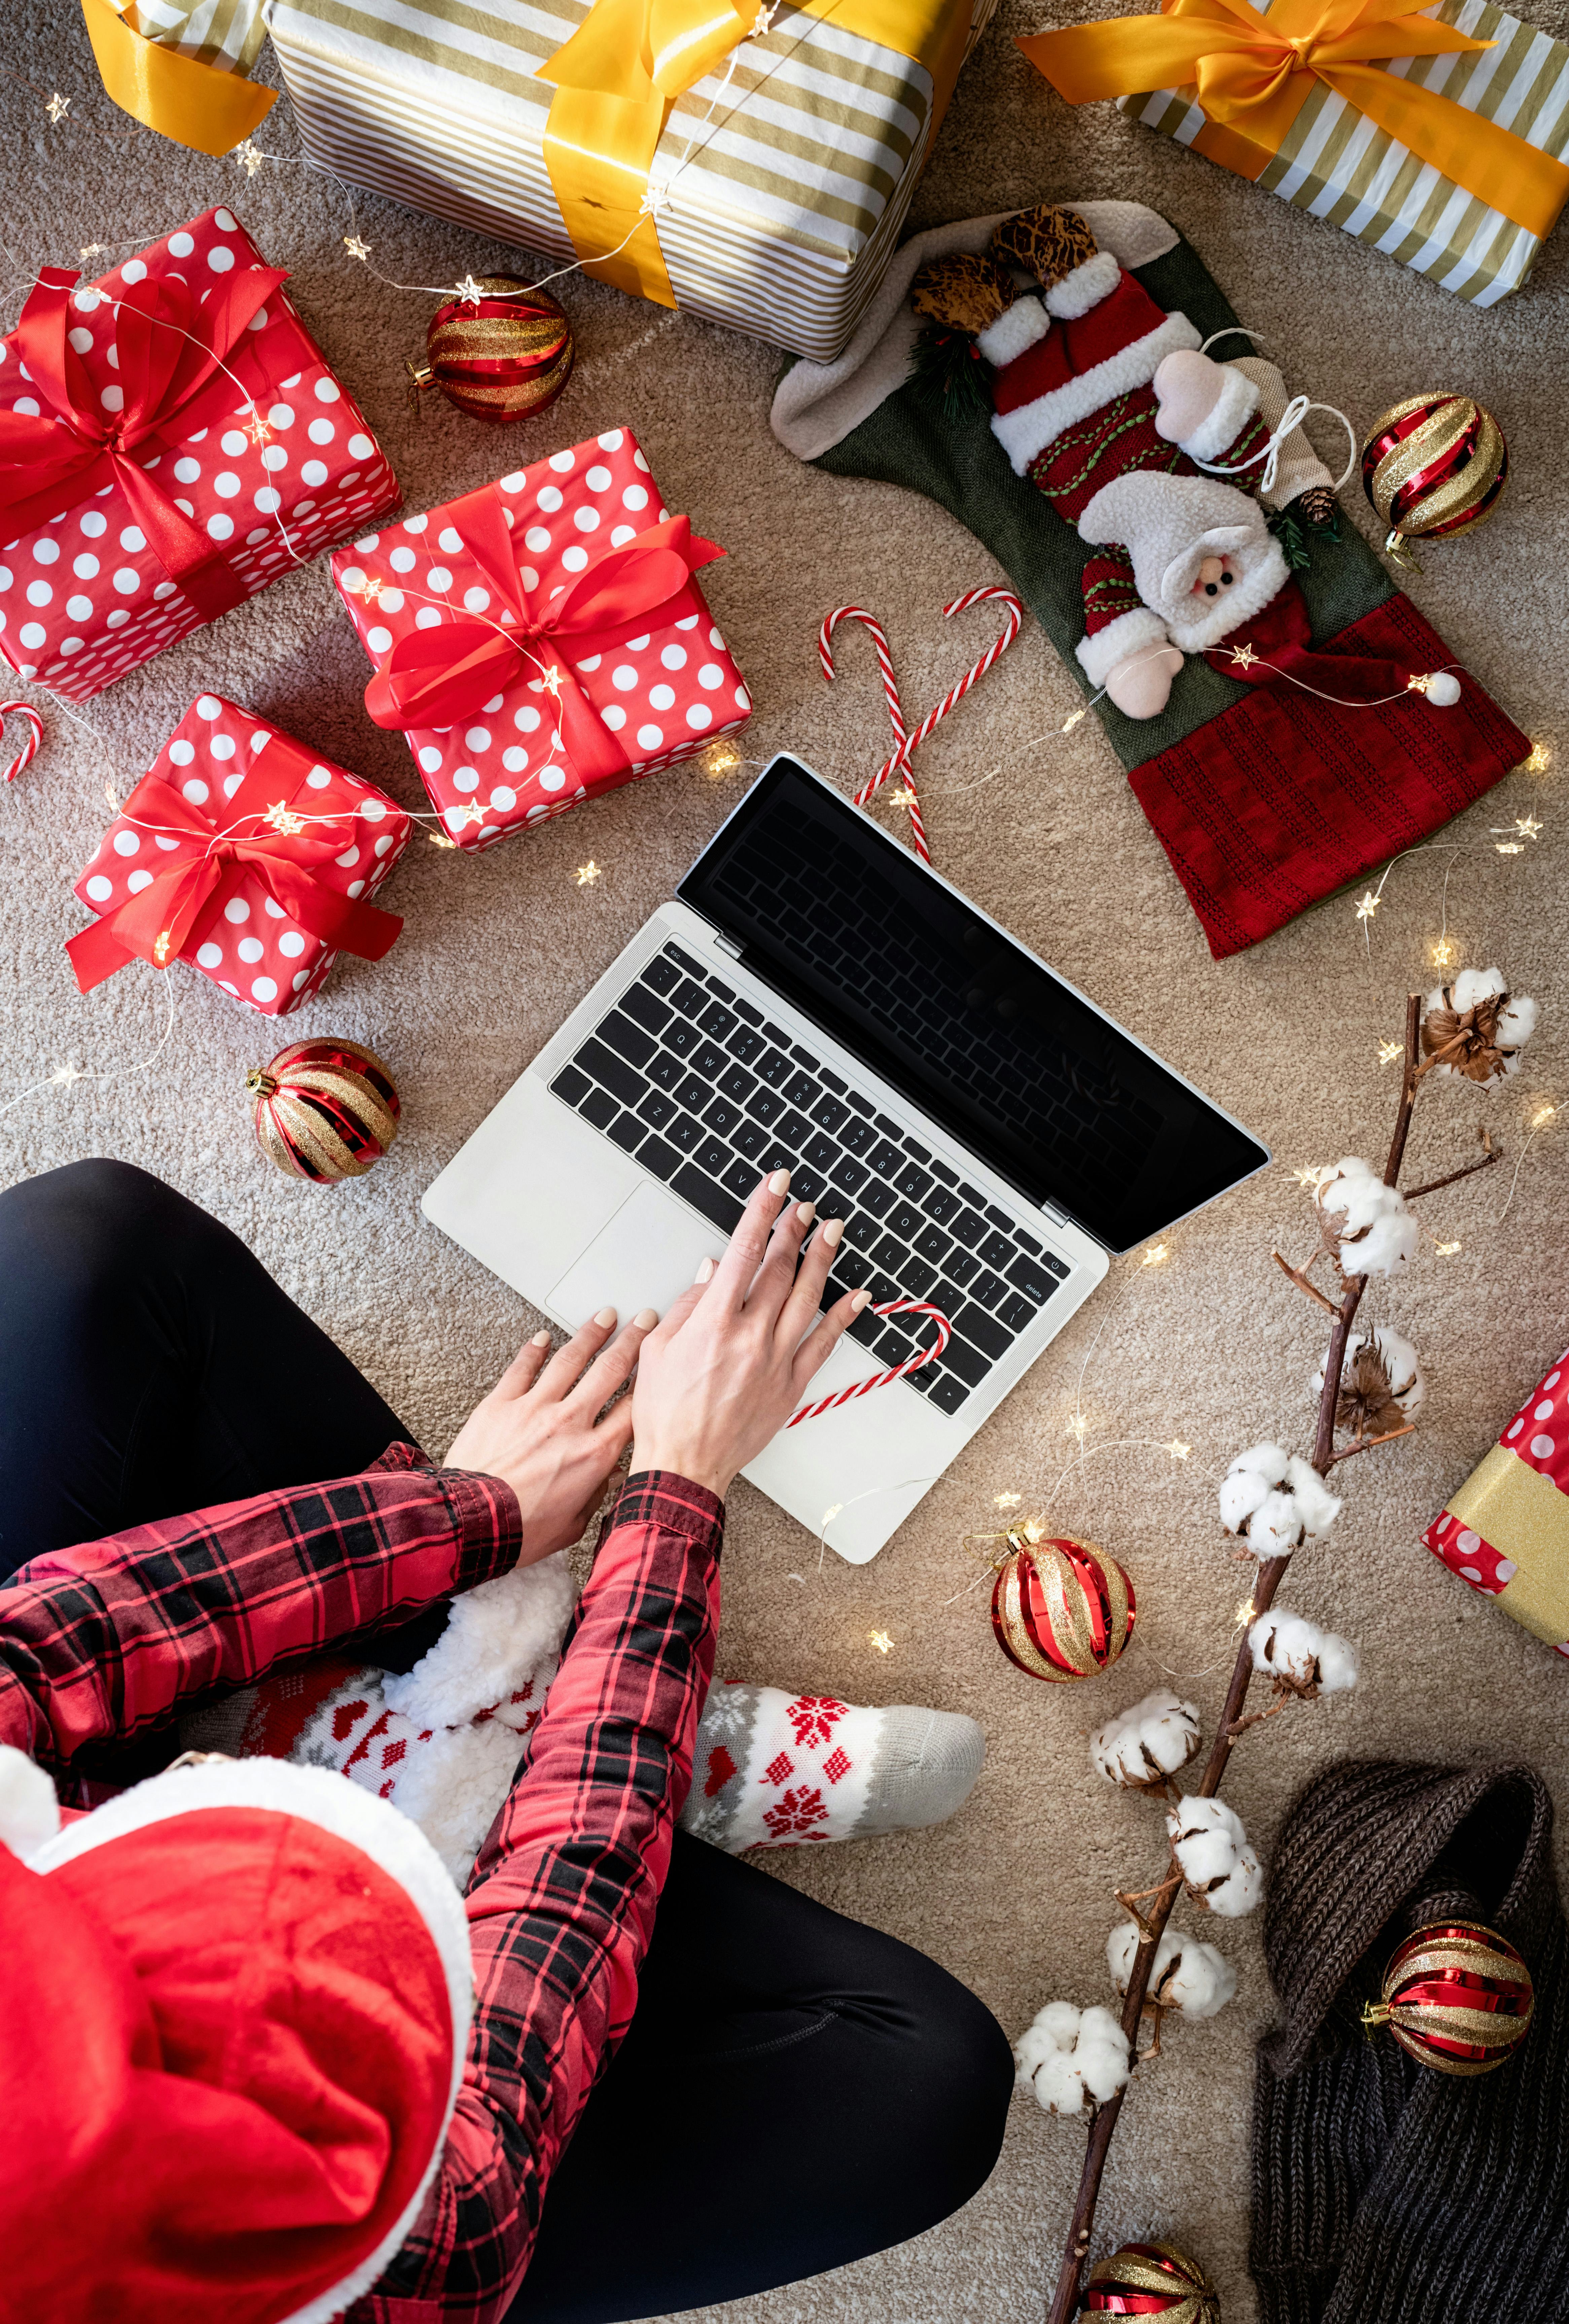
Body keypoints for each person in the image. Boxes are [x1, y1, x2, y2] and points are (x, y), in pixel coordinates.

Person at [0, 1157, 1013, 2324]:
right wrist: (676, 1490)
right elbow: (550, 1944)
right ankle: (549, 1720)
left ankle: (499, 1687)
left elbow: (57, 1641)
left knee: (84, 1247)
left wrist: (472, 1516)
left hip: (81, 1830)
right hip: (429, 2158)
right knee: (927, 2086)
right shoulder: (416, 2253)